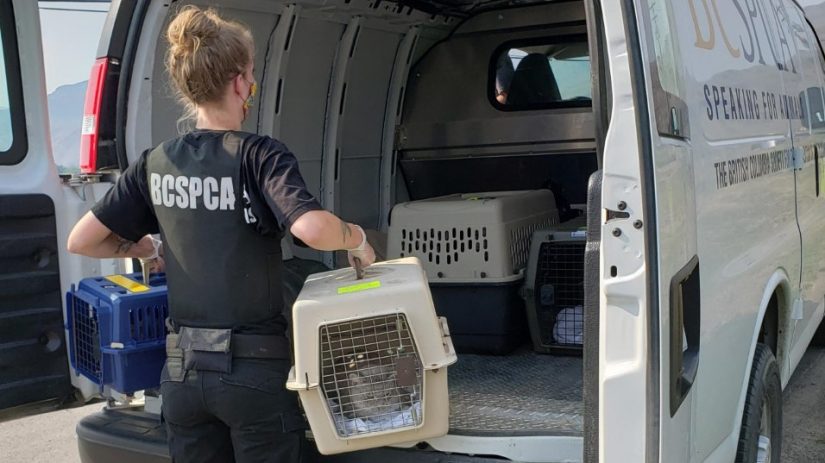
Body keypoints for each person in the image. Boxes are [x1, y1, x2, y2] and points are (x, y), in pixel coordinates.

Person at [66, 5, 375, 463]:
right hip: (254, 375)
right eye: (250, 75)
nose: (251, 85)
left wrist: (149, 246)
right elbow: (311, 229)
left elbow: (82, 241)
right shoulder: (260, 155)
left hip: (182, 377)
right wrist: (357, 238)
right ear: (237, 82)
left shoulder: (155, 163)